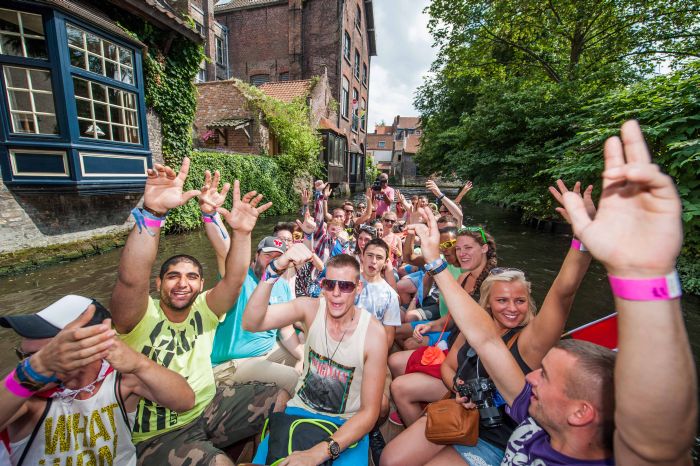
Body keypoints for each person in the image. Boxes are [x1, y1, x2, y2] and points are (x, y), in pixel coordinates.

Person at [399, 121, 697, 465]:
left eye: (545, 374)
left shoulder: (532, 350)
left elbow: (660, 441)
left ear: (581, 413)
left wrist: (645, 275)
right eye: (501, 301)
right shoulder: (533, 412)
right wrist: (435, 263)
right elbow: (483, 337)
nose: (529, 376)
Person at [109, 159, 284, 465]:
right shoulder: (138, 317)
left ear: (201, 284)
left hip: (210, 406)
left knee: (279, 398)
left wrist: (241, 233)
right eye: (173, 276)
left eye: (191, 277)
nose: (182, 284)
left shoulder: (204, 308)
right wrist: (153, 214)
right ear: (159, 283)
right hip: (160, 434)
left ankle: (250, 454)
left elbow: (235, 279)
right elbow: (131, 278)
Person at [0, 296, 195, 466]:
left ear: (91, 346)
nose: (27, 363)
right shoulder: (25, 395)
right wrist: (32, 372)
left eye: (41, 354)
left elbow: (185, 401)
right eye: (24, 357)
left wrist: (139, 364)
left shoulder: (121, 381)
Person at [244, 246, 388, 466]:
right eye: (329, 285)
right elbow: (251, 322)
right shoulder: (309, 309)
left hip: (346, 424)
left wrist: (321, 451)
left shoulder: (373, 334)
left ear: (358, 288)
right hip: (298, 412)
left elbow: (369, 411)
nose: (336, 293)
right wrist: (274, 269)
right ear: (322, 286)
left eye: (346, 286)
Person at [208, 235, 301, 395]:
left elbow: (285, 330)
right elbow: (223, 250)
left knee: (312, 353)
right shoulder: (238, 278)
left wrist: (302, 356)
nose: (273, 262)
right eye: (268, 256)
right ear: (256, 256)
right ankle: (296, 417)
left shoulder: (282, 286)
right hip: (234, 363)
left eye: (278, 258)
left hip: (266, 353)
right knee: (292, 378)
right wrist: (211, 216)